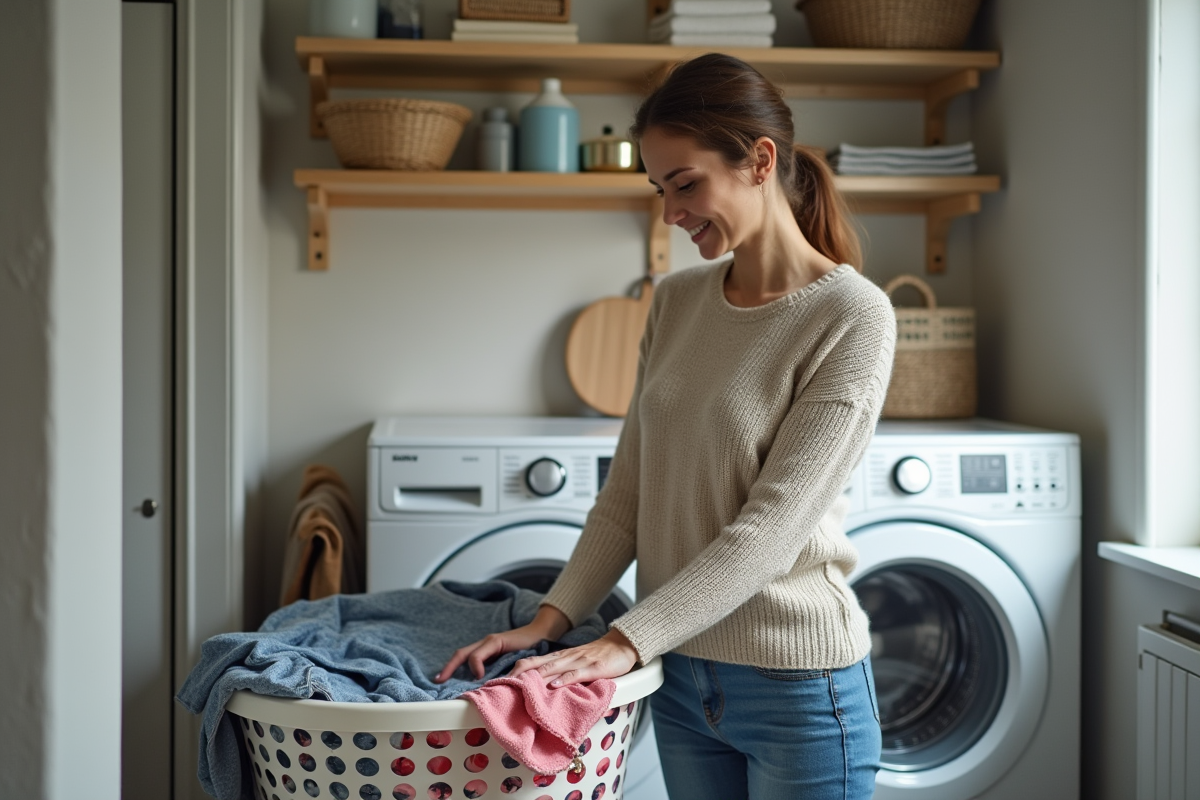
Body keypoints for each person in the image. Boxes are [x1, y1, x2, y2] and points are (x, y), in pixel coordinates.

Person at [436, 52, 895, 800]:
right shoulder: (677, 301)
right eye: (658, 189)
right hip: (679, 679)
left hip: (800, 691)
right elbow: (628, 495)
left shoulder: (851, 315)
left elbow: (770, 530)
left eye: (685, 184)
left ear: (759, 161)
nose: (670, 213)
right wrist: (550, 621)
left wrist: (624, 640)